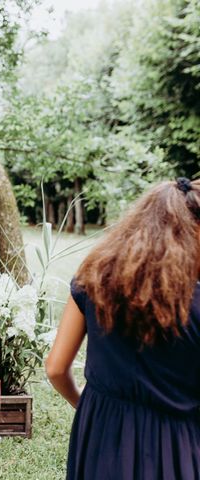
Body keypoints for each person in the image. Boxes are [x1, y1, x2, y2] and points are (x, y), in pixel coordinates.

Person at [46, 177, 200, 479]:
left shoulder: (92, 280)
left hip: (100, 434)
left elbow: (55, 368)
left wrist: (86, 404)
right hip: (173, 446)